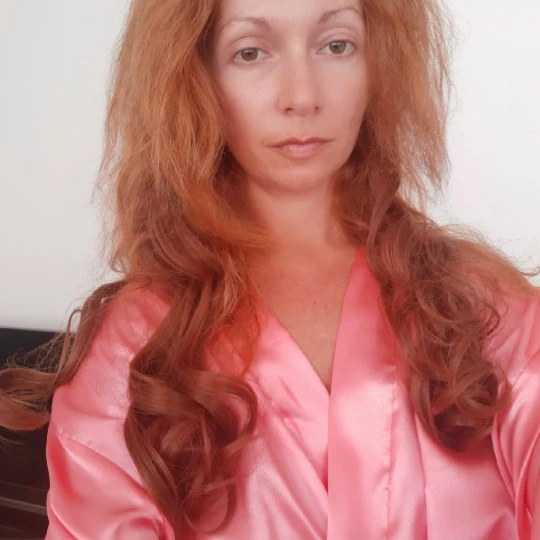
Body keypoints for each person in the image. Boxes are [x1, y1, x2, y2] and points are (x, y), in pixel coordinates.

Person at [1, 0, 539, 538]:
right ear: (196, 78)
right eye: (250, 52)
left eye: (336, 45)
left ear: (379, 63)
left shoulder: (489, 311)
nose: (302, 97)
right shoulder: (134, 349)